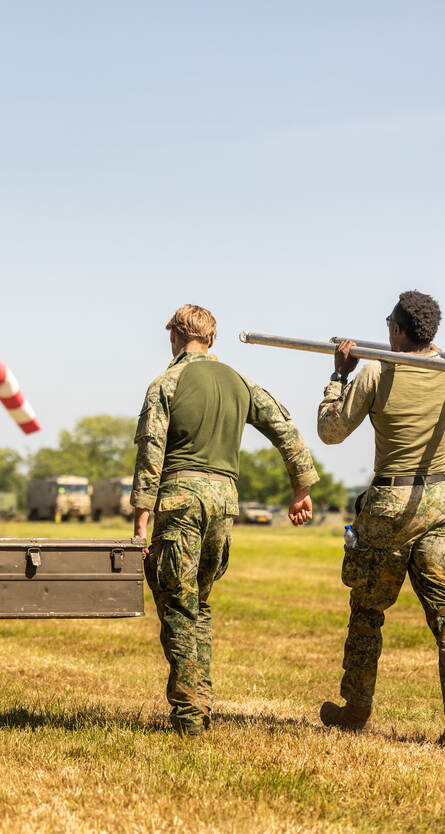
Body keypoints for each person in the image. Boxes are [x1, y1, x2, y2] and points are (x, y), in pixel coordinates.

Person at [131, 304, 319, 736]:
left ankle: (190, 715)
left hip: (179, 500)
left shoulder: (166, 382)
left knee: (178, 606)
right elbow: (285, 428)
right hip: (224, 504)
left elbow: (150, 454)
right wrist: (301, 488)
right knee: (200, 604)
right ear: (211, 339)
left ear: (176, 337)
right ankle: (201, 701)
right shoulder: (240, 382)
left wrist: (141, 522)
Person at [316, 290, 445, 746]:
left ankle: (356, 710)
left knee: (368, 611)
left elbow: (330, 432)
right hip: (441, 505)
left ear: (397, 330)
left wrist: (337, 376)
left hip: (390, 505)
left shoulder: (375, 371)